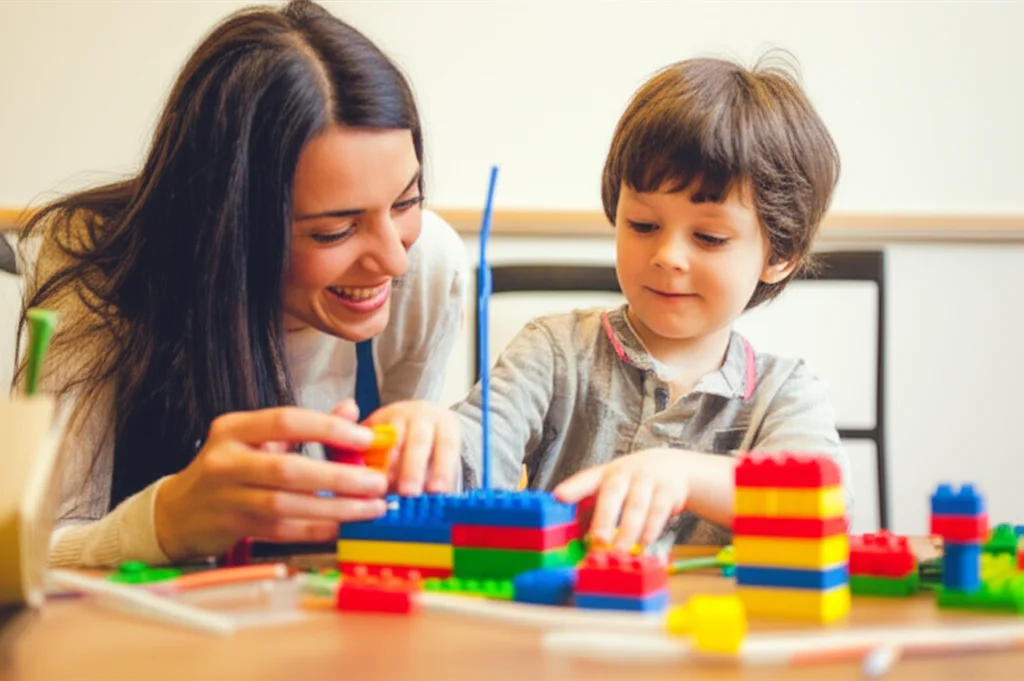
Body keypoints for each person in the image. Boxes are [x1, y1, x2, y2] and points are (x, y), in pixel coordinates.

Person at [15, 0, 465, 568]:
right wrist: (166, 519)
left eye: (406, 202)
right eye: (334, 231)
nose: (392, 262)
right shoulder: (100, 267)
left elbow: (393, 536)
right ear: (231, 225)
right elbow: (26, 554)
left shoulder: (427, 265)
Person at [456, 55, 851, 552]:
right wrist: (433, 437)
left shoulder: (783, 392)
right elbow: (471, 453)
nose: (667, 257)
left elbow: (825, 505)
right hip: (563, 618)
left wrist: (683, 474)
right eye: (643, 225)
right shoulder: (555, 352)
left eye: (708, 237)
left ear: (781, 254)